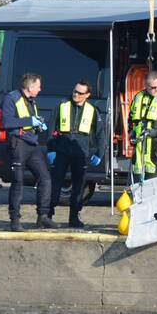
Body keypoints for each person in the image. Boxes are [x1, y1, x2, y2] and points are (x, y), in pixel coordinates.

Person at [48, 80, 105, 228]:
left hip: (81, 150)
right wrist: (51, 149)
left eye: (80, 93)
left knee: (79, 185)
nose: (75, 94)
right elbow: (51, 128)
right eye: (75, 91)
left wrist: (99, 153)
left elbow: (100, 134)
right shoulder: (62, 105)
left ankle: (74, 217)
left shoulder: (92, 110)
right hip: (62, 148)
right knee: (56, 182)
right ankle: (47, 215)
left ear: (87, 95)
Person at [1, 73, 54, 231]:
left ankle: (43, 217)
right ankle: (15, 220)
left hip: (32, 144)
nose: (40, 88)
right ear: (30, 87)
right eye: (38, 86)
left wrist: (37, 125)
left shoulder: (31, 101)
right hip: (18, 144)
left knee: (45, 178)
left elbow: (28, 121)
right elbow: (7, 122)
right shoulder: (11, 98)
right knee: (18, 182)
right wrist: (29, 121)